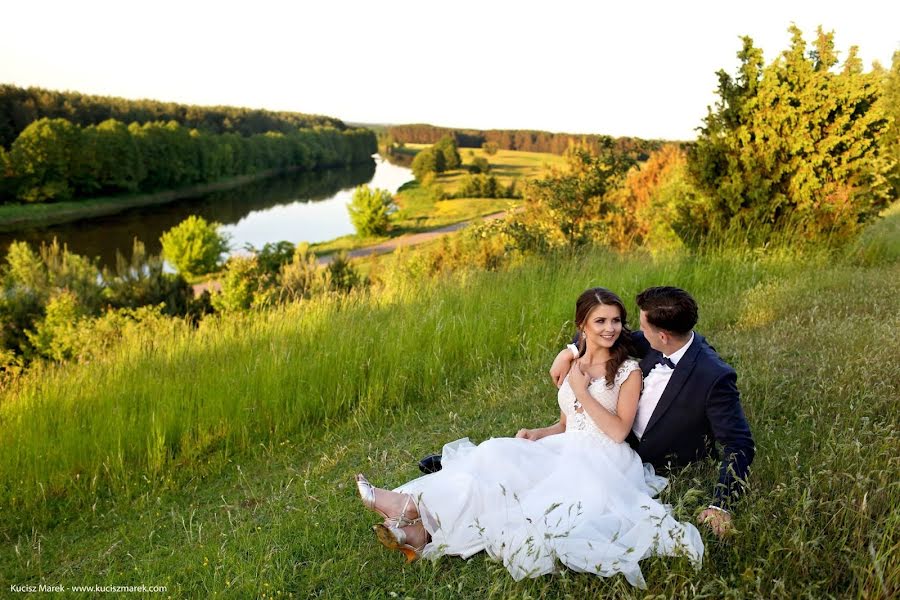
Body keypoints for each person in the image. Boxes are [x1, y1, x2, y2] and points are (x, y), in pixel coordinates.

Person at [355, 288, 704, 588]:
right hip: (565, 446)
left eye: (616, 321)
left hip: (602, 461)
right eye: (600, 321)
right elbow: (568, 423)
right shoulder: (574, 361)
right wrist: (541, 433)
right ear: (582, 325)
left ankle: (412, 514)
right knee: (492, 454)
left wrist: (582, 390)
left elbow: (617, 431)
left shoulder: (628, 371)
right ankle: (415, 525)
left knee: (526, 507)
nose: (611, 328)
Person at [550, 285, 755, 535]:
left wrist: (721, 505)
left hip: (658, 460)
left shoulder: (713, 377)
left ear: (663, 337)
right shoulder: (657, 340)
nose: (637, 333)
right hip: (606, 443)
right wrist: (569, 351)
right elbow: (603, 331)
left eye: (643, 328)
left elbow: (740, 443)